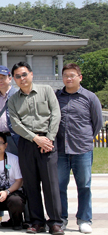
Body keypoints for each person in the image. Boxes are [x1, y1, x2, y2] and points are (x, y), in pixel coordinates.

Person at [8, 61, 64, 235]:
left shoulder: (46, 90)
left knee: (51, 184)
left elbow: (56, 113)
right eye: (18, 76)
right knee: (31, 185)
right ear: (14, 79)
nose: (22, 78)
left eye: (24, 74)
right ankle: (37, 221)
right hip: (26, 142)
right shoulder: (13, 99)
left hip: (47, 141)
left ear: (31, 74)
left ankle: (55, 222)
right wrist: (34, 138)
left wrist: (48, 138)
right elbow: (15, 124)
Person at [56, 63, 102, 234]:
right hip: (60, 149)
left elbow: (96, 124)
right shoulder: (56, 96)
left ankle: (84, 219)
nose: (69, 78)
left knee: (84, 186)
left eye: (72, 75)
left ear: (79, 77)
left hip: (82, 149)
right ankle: (61, 219)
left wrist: (85, 138)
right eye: (66, 75)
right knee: (59, 186)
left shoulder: (90, 97)